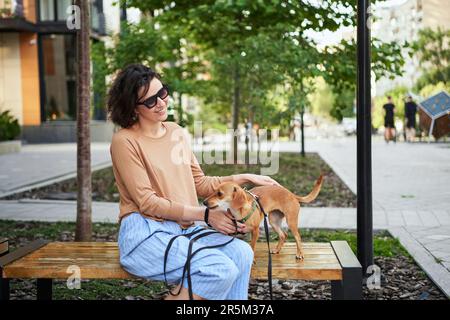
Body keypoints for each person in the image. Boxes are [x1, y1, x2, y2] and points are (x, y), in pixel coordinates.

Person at [107, 64, 281, 300]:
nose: (161, 103)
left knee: (242, 254)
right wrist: (206, 216)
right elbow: (147, 203)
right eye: (150, 101)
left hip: (183, 229)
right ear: (133, 107)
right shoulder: (124, 141)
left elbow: (198, 183)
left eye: (162, 93)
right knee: (220, 270)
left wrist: (244, 178)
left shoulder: (175, 132)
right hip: (146, 234)